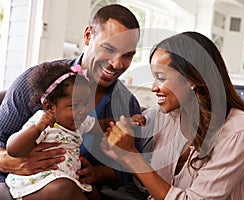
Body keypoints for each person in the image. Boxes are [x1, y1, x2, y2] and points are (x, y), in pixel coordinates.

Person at [0, 4, 144, 200]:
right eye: (109, 48)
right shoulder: (38, 82)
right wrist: (10, 161)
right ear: (87, 36)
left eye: (128, 55)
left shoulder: (127, 106)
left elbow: (131, 170)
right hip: (20, 187)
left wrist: (97, 173)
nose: (117, 64)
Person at [101, 31, 244, 199]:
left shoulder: (239, 132)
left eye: (161, 78)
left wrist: (131, 156)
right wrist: (120, 145)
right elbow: (143, 183)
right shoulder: (166, 115)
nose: (154, 88)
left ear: (192, 78)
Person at [5, 61, 97, 199]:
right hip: (37, 184)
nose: (83, 110)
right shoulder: (42, 122)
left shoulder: (80, 121)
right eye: (75, 105)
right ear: (50, 108)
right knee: (64, 189)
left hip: (67, 177)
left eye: (85, 104)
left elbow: (101, 125)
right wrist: (36, 128)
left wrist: (126, 122)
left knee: (93, 192)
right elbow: (13, 149)